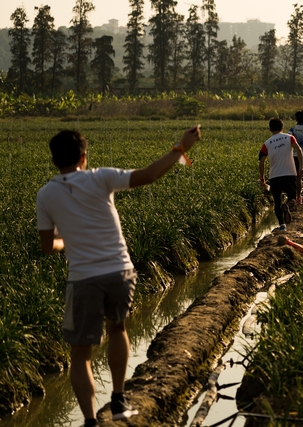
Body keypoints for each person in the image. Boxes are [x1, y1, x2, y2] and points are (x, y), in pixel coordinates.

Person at [37, 125, 201, 427]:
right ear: (84, 157)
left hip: (82, 278)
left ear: (54, 161)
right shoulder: (101, 177)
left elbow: (48, 247)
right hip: (119, 271)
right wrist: (181, 148)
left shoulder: (46, 195)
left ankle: (89, 421)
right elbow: (150, 174)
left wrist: (65, 241)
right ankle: (118, 398)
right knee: (118, 329)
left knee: (80, 354)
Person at [259, 117, 303, 231]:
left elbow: (261, 162)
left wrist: (262, 177)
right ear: (282, 128)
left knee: (277, 201)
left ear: (270, 129)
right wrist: (300, 168)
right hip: (289, 173)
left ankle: (282, 225)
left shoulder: (266, 144)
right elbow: (299, 150)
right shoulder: (290, 138)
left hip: (274, 175)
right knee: (292, 197)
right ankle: (288, 206)